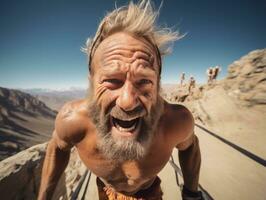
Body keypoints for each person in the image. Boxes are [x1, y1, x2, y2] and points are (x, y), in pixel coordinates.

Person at [38, 1, 202, 200]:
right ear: (91, 84)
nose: (127, 102)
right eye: (112, 81)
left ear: (158, 84)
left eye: (144, 81)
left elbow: (190, 146)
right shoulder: (72, 120)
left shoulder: (176, 121)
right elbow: (57, 148)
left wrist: (191, 193)